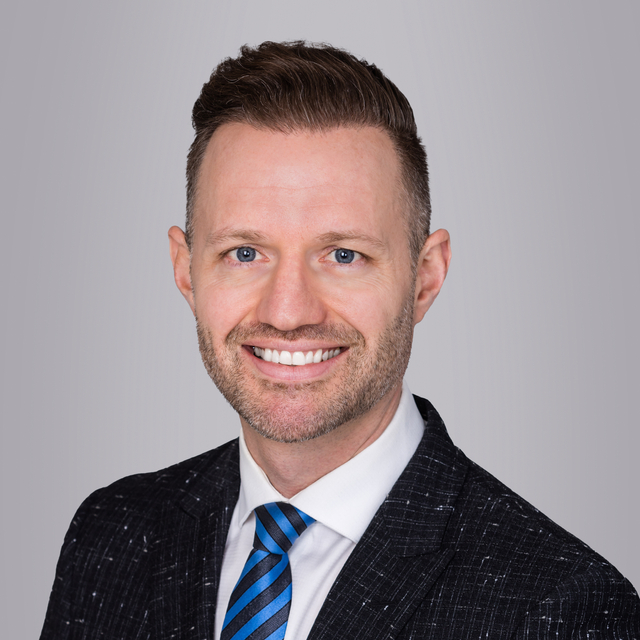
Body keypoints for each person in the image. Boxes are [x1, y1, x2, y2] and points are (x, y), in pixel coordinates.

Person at [40, 41, 639, 640]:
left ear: (425, 277)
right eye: (244, 253)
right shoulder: (111, 535)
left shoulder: (560, 607)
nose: (287, 313)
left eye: (344, 255)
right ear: (186, 270)